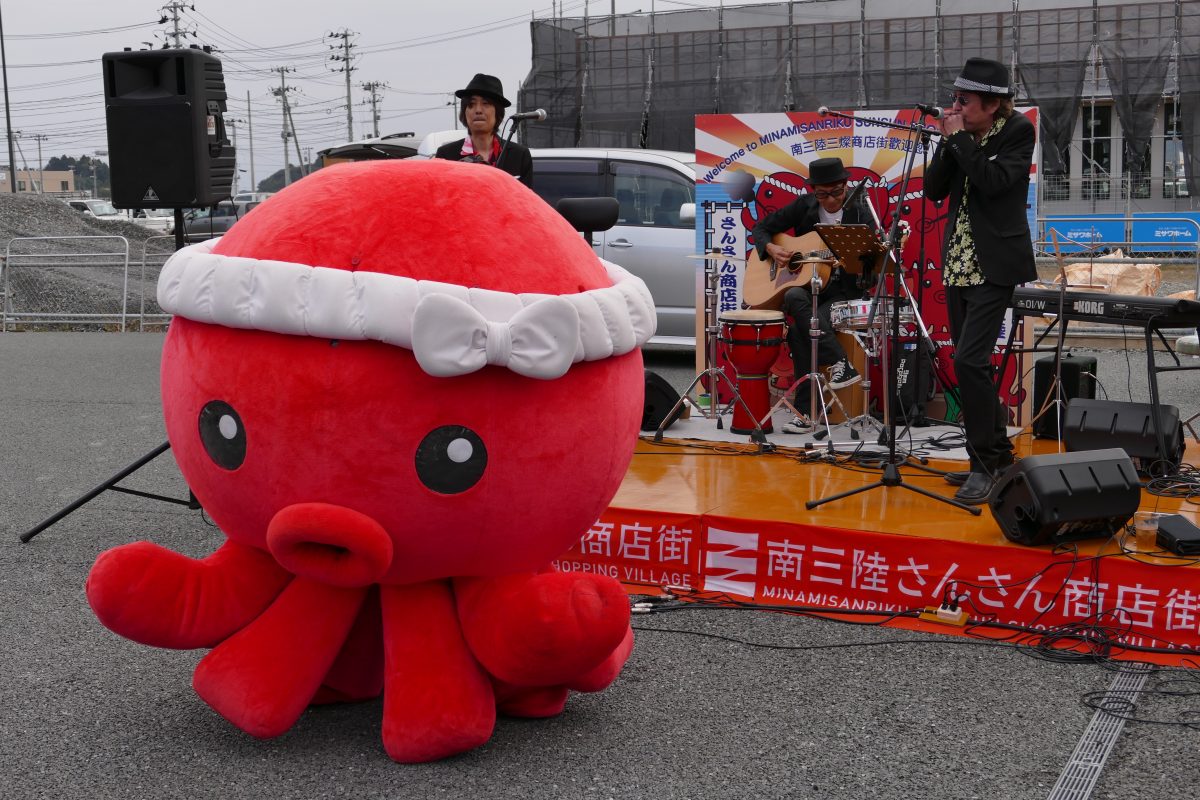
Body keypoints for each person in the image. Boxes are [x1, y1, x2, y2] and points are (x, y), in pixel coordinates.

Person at [924, 57, 1037, 504]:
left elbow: (994, 183)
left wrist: (960, 142)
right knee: (969, 363)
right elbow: (934, 190)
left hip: (995, 265)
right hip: (958, 262)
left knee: (970, 361)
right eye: (955, 98)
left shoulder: (1017, 132)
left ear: (991, 105)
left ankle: (984, 464)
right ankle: (999, 455)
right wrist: (947, 142)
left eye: (964, 100)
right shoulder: (961, 136)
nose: (956, 106)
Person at [750, 156, 871, 434]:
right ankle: (840, 362)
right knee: (793, 296)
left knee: (799, 333)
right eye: (822, 194)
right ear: (813, 191)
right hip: (811, 290)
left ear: (846, 185)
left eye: (836, 193)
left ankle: (806, 413)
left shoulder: (861, 213)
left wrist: (854, 258)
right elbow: (761, 228)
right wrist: (771, 249)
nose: (829, 200)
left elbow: (869, 259)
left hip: (844, 292)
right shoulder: (804, 206)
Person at [435, 73, 533, 187]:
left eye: (486, 103)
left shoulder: (519, 155)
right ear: (464, 112)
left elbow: (526, 201)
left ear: (498, 111)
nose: (478, 110)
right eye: (471, 104)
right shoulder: (446, 155)